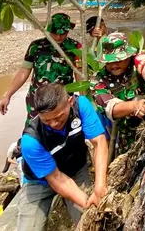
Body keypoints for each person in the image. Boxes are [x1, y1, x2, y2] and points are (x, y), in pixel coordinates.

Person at [18, 82, 108, 230]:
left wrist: (99, 188)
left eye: (59, 117)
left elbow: (99, 142)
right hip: (40, 180)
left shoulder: (81, 106)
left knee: (90, 221)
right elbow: (55, 178)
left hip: (75, 168)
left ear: (70, 102)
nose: (53, 124)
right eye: (46, 120)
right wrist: (87, 202)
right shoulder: (31, 141)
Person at [0, 13, 82, 124]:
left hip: (62, 99)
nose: (58, 37)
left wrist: (84, 99)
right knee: (34, 129)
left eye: (63, 33)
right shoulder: (36, 46)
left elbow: (79, 74)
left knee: (62, 128)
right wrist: (8, 95)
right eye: (55, 33)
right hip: (37, 100)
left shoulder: (75, 47)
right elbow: (24, 71)